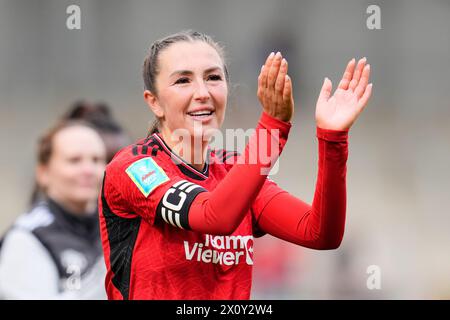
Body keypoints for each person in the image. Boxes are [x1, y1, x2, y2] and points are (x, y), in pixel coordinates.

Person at [99, 30, 372, 300]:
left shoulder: (233, 169)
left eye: (213, 77)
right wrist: (273, 127)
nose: (202, 92)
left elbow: (320, 233)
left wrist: (333, 139)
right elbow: (215, 217)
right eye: (183, 80)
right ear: (154, 102)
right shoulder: (135, 167)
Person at [0, 121, 108, 299]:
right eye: (74, 160)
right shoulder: (28, 237)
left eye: (96, 160)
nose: (89, 170)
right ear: (44, 173)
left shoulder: (118, 226)